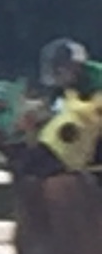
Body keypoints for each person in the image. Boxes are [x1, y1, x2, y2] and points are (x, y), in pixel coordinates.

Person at [37, 38, 102, 172]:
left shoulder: (97, 79)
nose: (56, 75)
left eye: (59, 70)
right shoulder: (69, 86)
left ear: (74, 67)